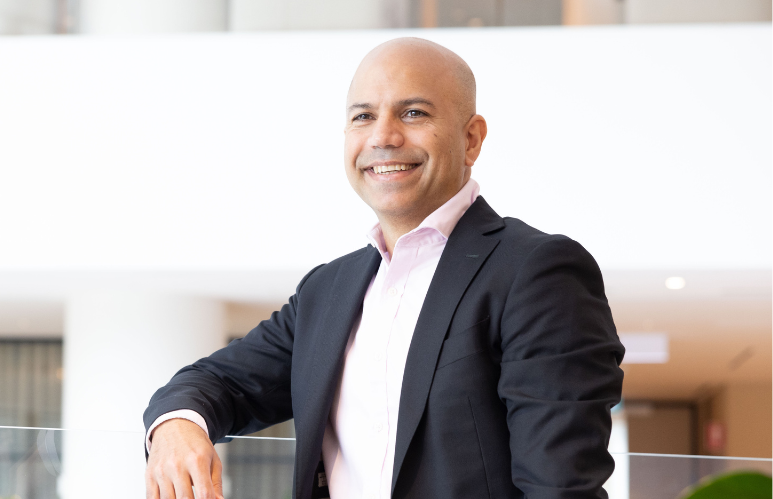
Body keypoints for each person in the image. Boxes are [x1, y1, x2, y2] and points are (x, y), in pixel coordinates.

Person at [143, 37, 625, 499]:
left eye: (413, 113)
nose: (383, 137)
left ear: (471, 138)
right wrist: (178, 426)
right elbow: (218, 383)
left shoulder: (538, 272)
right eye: (363, 116)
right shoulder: (327, 290)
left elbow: (559, 488)